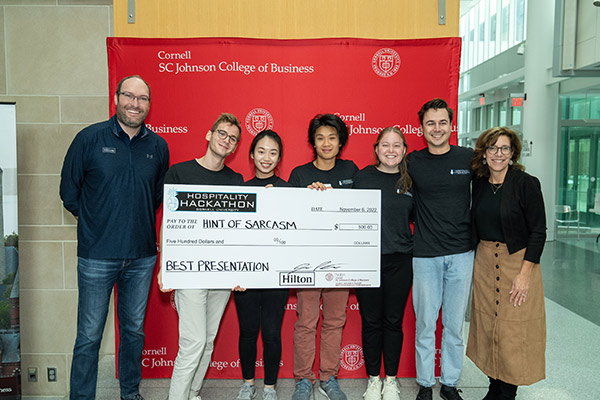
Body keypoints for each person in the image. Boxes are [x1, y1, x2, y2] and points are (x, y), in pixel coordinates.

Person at [60, 75, 170, 400]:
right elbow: (69, 191)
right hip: (96, 256)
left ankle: (130, 393)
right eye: (129, 96)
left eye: (142, 99)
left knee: (133, 332)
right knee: (90, 335)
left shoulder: (158, 147)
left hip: (142, 256)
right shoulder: (89, 138)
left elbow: (156, 197)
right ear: (116, 98)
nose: (135, 104)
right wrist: (95, 220)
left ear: (149, 105)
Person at [158, 113, 244, 400]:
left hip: (221, 272)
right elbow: (167, 224)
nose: (226, 140)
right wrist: (164, 267)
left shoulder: (236, 179)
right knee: (192, 341)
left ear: (235, 147)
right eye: (222, 133)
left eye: (232, 138)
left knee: (207, 341)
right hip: (188, 271)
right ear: (209, 135)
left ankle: (193, 393)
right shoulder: (179, 173)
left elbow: (241, 230)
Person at [466, 127, 547, 400]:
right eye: (493, 148)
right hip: (486, 262)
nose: (498, 154)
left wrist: (525, 275)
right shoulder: (478, 183)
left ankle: (507, 391)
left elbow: (538, 232)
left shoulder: (526, 183)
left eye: (505, 149)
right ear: (484, 152)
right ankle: (494, 385)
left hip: (517, 262)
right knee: (488, 326)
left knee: (514, 330)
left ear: (513, 153)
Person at [407, 98, 474, 400]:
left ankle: (449, 383)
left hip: (462, 254)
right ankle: (424, 383)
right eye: (430, 123)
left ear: (451, 125)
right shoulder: (413, 162)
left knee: (454, 325)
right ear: (422, 128)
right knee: (425, 323)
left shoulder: (469, 159)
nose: (437, 128)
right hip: (425, 255)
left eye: (442, 122)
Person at [288, 114, 358, 400]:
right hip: (307, 260)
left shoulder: (353, 171)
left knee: (334, 319)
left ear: (340, 142)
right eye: (320, 138)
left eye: (332, 137)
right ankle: (304, 379)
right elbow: (287, 216)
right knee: (306, 320)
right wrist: (308, 197)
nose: (326, 143)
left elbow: (360, 211)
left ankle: (329, 376)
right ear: (312, 143)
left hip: (341, 261)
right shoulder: (300, 174)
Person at [353, 127, 414, 400]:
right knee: (370, 322)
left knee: (393, 321)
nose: (391, 150)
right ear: (376, 149)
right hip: (367, 261)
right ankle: (373, 379)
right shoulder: (362, 177)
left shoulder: (412, 181)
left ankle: (391, 380)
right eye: (386, 145)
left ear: (404, 150)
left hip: (401, 260)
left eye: (397, 145)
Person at [233, 130, 291, 400]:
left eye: (273, 152)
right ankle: (247, 384)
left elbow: (298, 234)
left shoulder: (290, 191)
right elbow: (231, 237)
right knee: (247, 331)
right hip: (245, 276)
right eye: (261, 151)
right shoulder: (240, 190)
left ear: (279, 158)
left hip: (276, 277)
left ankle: (269, 388)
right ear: (251, 155)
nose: (266, 158)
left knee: (271, 333)